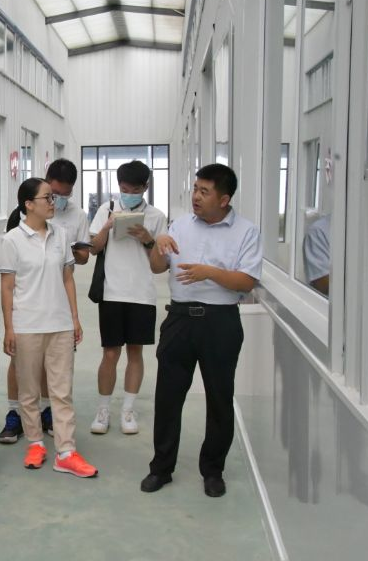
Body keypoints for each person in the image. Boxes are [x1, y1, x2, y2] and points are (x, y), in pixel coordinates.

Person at [140, 163, 263, 499]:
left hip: (220, 322)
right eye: (195, 189)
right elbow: (157, 267)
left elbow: (246, 281)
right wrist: (158, 244)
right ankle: (161, 468)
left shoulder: (246, 232)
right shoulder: (180, 225)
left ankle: (212, 470)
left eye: (204, 191)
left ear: (224, 199)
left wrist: (209, 272)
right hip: (179, 320)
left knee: (219, 398)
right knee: (168, 398)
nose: (195, 196)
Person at [0, 178, 97, 478]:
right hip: (27, 325)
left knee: (61, 391)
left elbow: (68, 279)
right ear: (29, 204)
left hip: (60, 325)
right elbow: (7, 288)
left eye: (53, 198)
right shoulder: (12, 240)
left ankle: (66, 452)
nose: (53, 203)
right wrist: (9, 328)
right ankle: (36, 444)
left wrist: (74, 318)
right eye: (47, 198)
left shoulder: (61, 235)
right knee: (28, 391)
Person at [87, 161, 167, 435]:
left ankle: (128, 411)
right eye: (124, 189)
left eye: (135, 190)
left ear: (146, 187)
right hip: (112, 292)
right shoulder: (106, 209)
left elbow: (160, 265)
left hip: (142, 294)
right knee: (110, 353)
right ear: (118, 186)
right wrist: (108, 226)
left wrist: (148, 239)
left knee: (135, 352)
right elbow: (93, 249)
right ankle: (103, 410)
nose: (129, 194)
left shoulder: (156, 217)